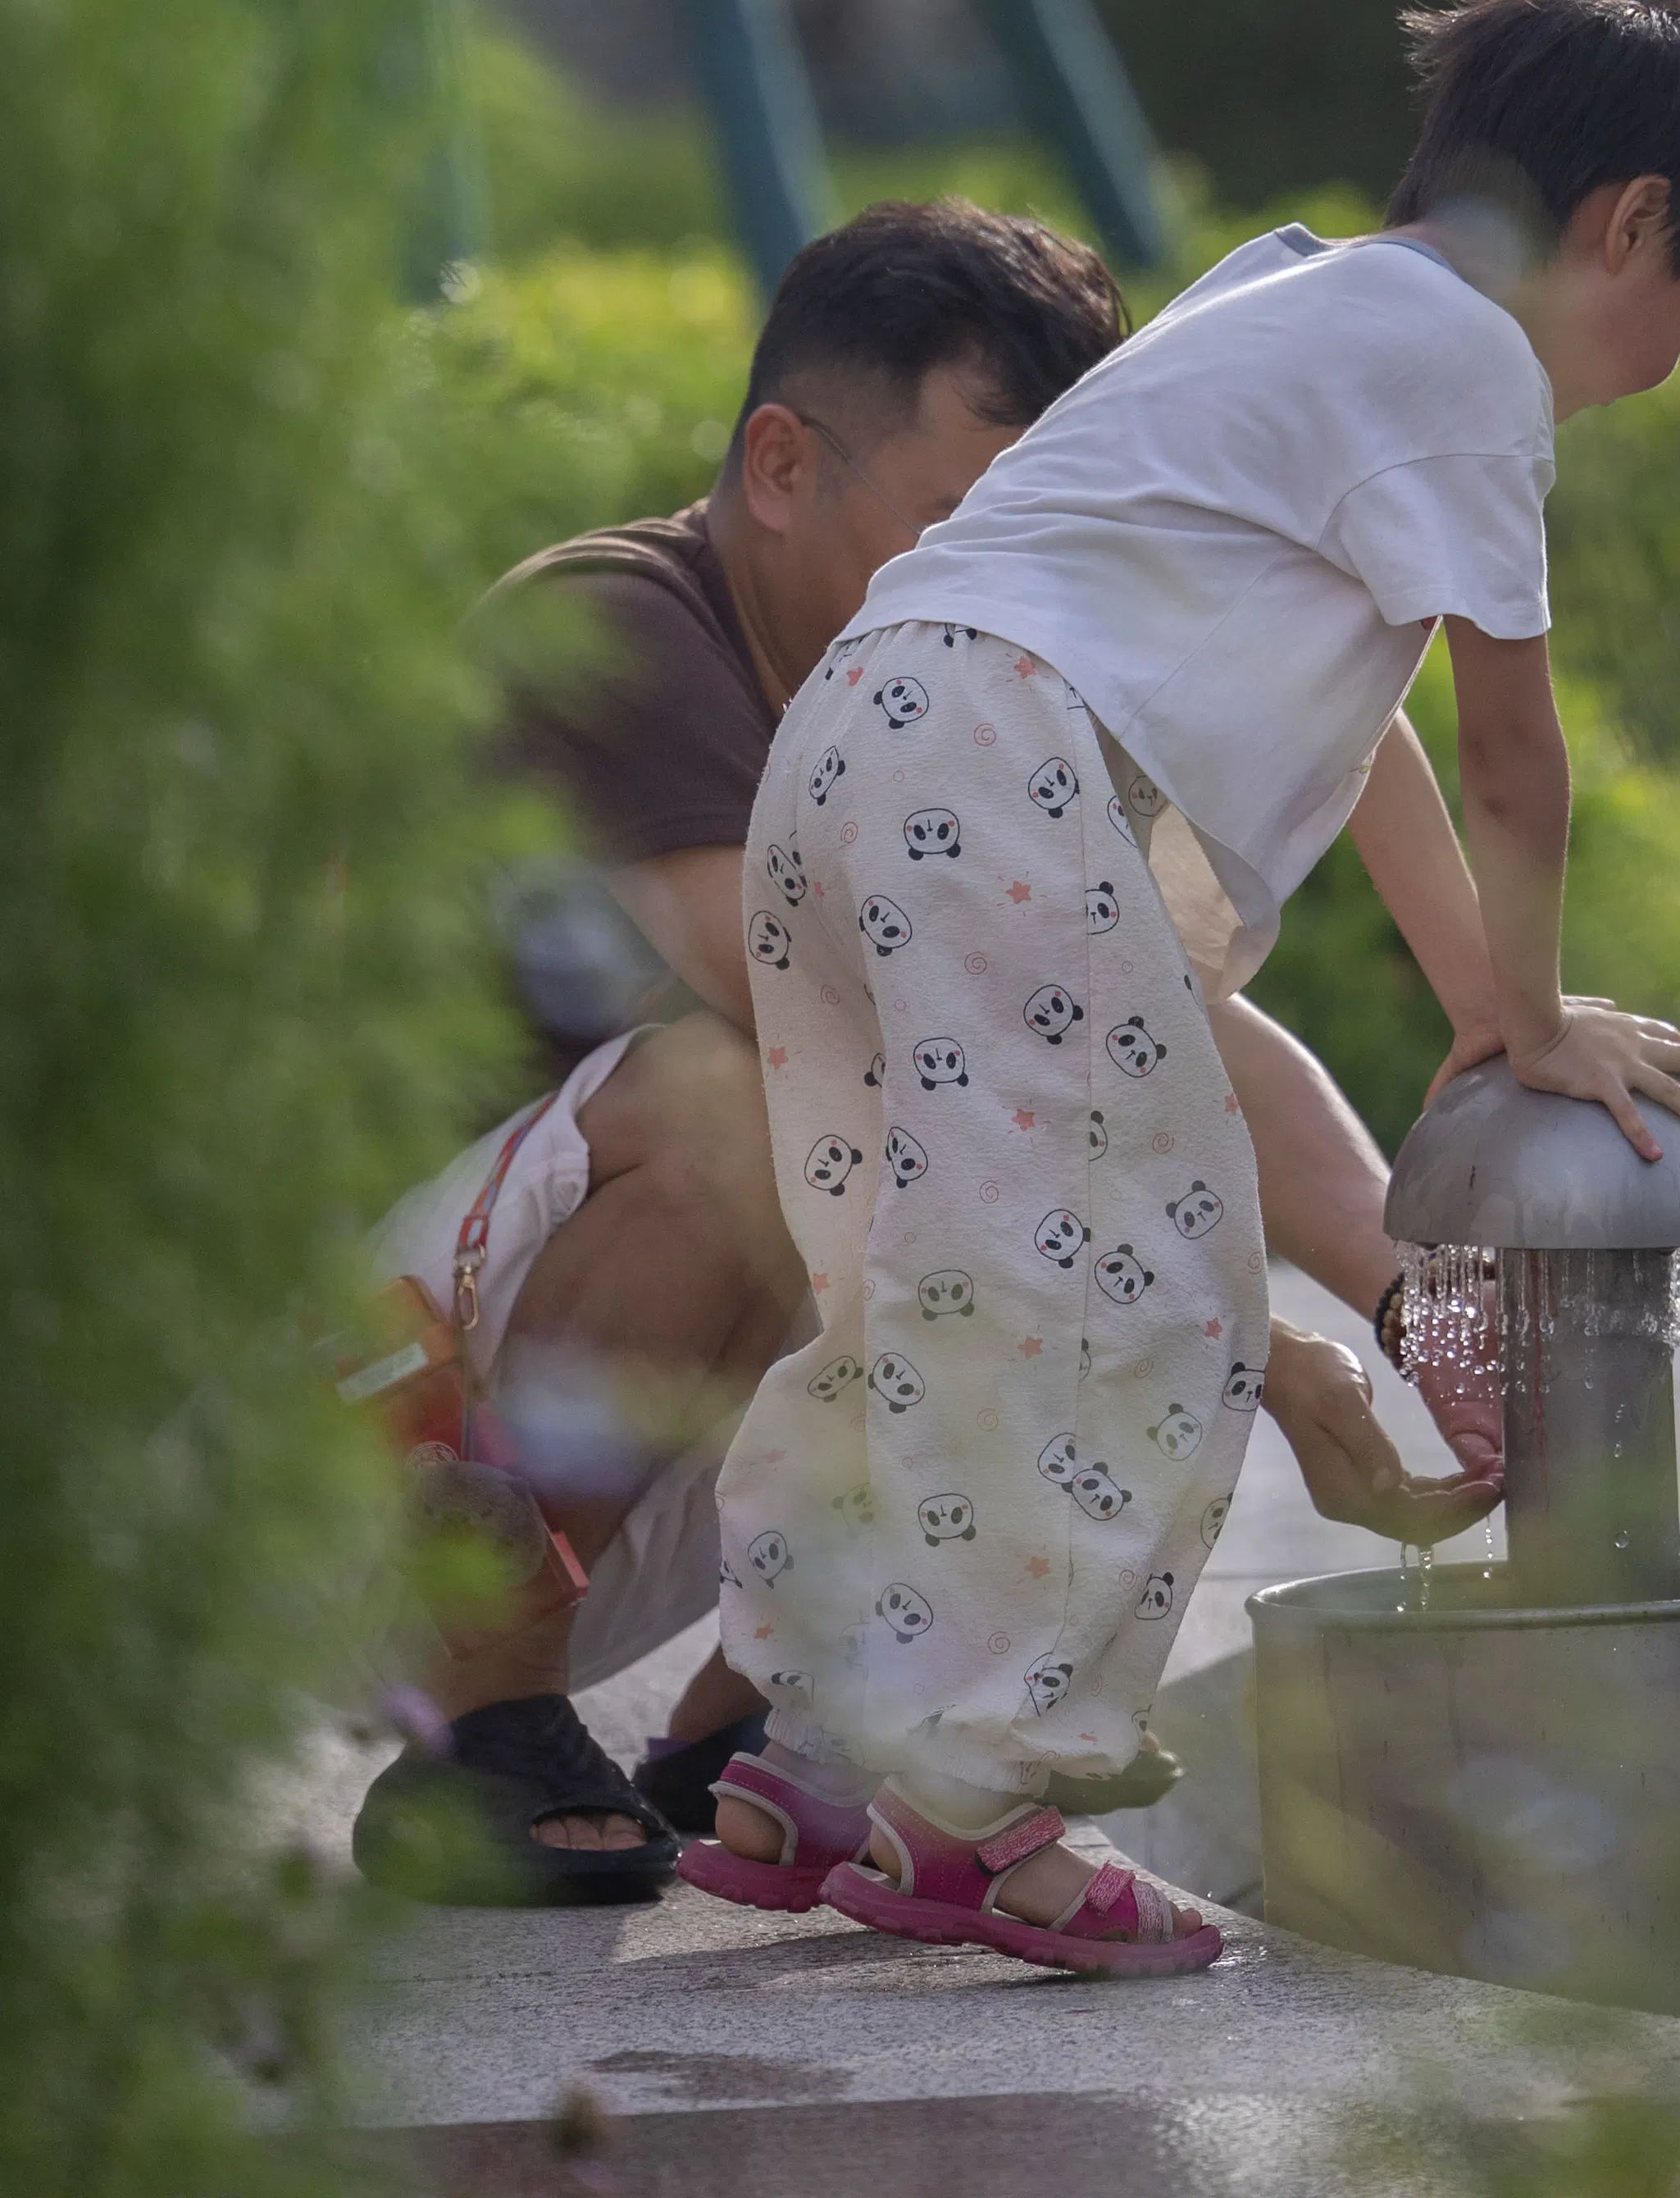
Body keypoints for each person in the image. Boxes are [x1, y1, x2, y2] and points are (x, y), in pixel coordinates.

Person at [694, 0, 1680, 1972]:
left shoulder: (1279, 290)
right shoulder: (1471, 363)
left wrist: (1477, 994)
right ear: (1629, 225)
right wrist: (1548, 1023)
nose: (1674, 350)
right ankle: (991, 1820)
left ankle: (824, 1755)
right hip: (1004, 769)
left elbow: (1362, 718)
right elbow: (1505, 749)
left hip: (856, 740)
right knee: (1149, 1287)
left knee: (924, 1271)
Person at [353, 197, 1494, 1908]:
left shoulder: (949, 688)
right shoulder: (613, 629)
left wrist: (1429, 1313)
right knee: (772, 1111)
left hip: (599, 1446)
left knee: (959, 1154)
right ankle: (483, 1721)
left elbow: (1125, 1022)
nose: (1012, 563)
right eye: (967, 513)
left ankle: (775, 1729)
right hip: (357, 1417)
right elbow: (899, 1031)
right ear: (784, 464)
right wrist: (1255, 1351)